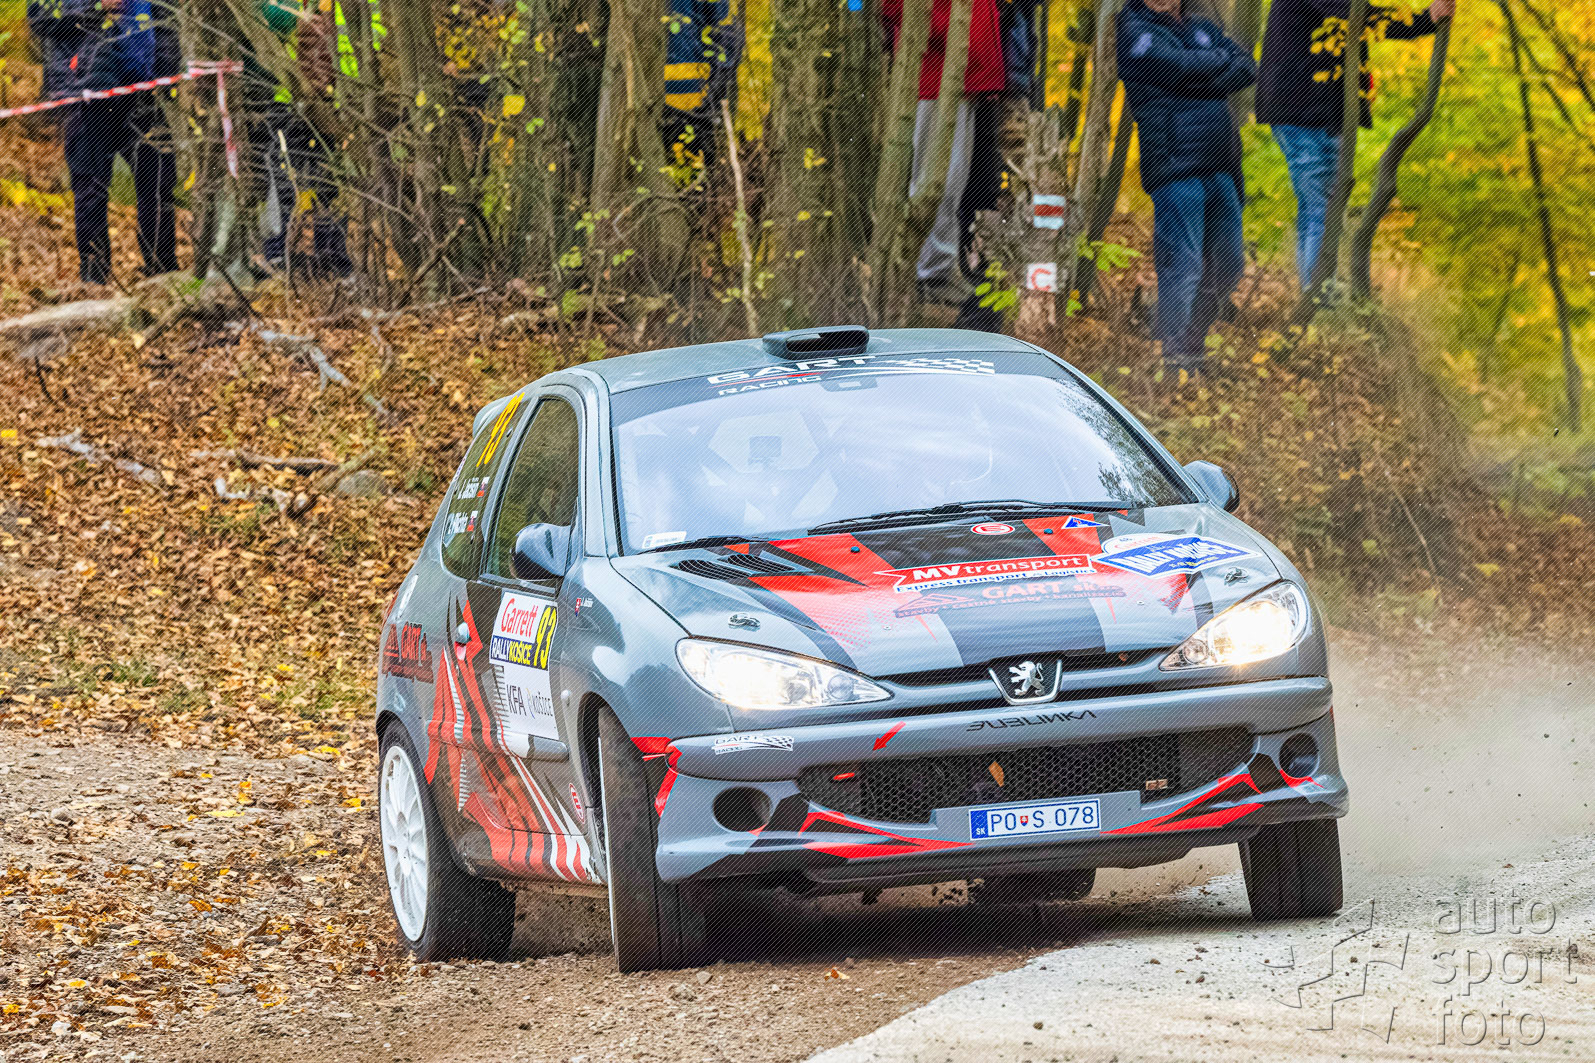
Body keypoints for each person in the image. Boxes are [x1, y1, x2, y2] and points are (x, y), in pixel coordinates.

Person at [1257, 0, 1456, 288]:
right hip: (1305, 112)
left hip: (1310, 111)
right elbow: (1358, 15)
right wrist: (1426, 19)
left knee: (1316, 208)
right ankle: (1318, 298)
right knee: (1322, 208)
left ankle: (1314, 294)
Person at [1117, 0, 1255, 374]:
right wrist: (1217, 65)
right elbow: (1175, 66)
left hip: (1220, 162)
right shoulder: (1134, 32)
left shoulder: (1200, 26)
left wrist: (1193, 75)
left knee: (1229, 265)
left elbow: (1247, 67)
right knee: (1183, 266)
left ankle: (1193, 344)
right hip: (1174, 167)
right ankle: (1174, 358)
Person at [26, 0, 181, 284]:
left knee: (158, 174)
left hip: (142, 90)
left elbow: (167, 18)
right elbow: (39, 18)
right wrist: (97, 7)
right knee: (90, 184)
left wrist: (166, 74)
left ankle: (163, 270)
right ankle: (94, 278)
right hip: (84, 91)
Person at [883, 0, 1006, 305]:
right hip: (935, 76)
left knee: (952, 181)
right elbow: (892, 6)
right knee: (935, 180)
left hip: (960, 76)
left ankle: (936, 270)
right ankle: (930, 275)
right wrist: (953, 35)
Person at [246, 0, 352, 277]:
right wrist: (300, 12)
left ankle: (331, 256)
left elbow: (369, 38)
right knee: (282, 176)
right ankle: (276, 252)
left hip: (338, 100)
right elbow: (270, 18)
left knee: (330, 180)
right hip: (292, 101)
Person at [661, 0, 743, 170]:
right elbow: (729, 38)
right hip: (671, 102)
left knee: (692, 171)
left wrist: (713, 94)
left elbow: (728, 36)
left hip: (694, 103)